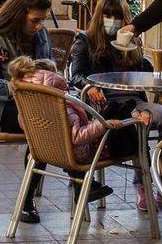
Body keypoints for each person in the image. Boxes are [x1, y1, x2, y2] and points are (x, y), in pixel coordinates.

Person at [69, 0, 162, 210]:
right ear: (99, 16)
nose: (112, 22)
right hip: (102, 105)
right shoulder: (85, 40)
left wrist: (138, 53)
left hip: (133, 101)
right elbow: (75, 74)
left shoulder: (130, 43)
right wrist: (91, 85)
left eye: (117, 17)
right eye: (108, 16)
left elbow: (143, 76)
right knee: (136, 122)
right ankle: (143, 184)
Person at [0, 0, 53, 223]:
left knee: (60, 119)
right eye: (34, 20)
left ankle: (79, 184)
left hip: (36, 104)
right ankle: (29, 198)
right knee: (46, 126)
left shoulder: (41, 35)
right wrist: (18, 85)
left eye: (42, 20)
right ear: (19, 15)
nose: (38, 26)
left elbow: (46, 67)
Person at [8, 56, 136, 204]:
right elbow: (78, 137)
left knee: (108, 114)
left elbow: (22, 124)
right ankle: (89, 185)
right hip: (74, 155)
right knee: (121, 129)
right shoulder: (64, 108)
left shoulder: (29, 101)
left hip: (43, 151)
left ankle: (84, 187)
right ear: (55, 78)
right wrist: (103, 124)